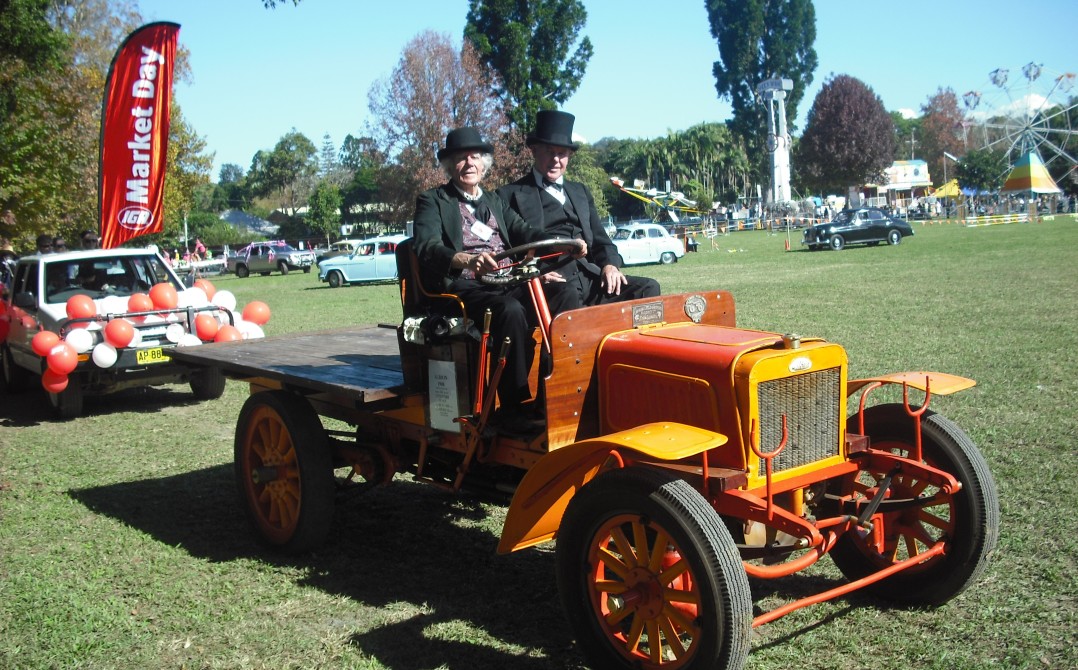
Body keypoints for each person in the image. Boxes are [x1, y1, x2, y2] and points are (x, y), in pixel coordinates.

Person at [413, 127, 579, 432]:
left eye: (474, 157)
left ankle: (549, 398)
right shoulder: (433, 201)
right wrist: (467, 260)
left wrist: (560, 242)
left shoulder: (494, 200)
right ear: (450, 165)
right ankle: (513, 407)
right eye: (460, 159)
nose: (469, 164)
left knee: (566, 298)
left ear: (484, 163)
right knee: (510, 311)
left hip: (507, 279)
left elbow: (525, 232)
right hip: (464, 287)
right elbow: (426, 246)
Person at [498, 110, 659, 314]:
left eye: (562, 153)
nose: (556, 159)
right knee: (568, 294)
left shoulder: (580, 192)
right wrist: (533, 275)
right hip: (551, 283)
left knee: (648, 288)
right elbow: (506, 252)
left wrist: (610, 266)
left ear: (569, 156)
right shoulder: (508, 195)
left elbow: (602, 241)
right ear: (534, 150)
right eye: (549, 151)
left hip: (590, 277)